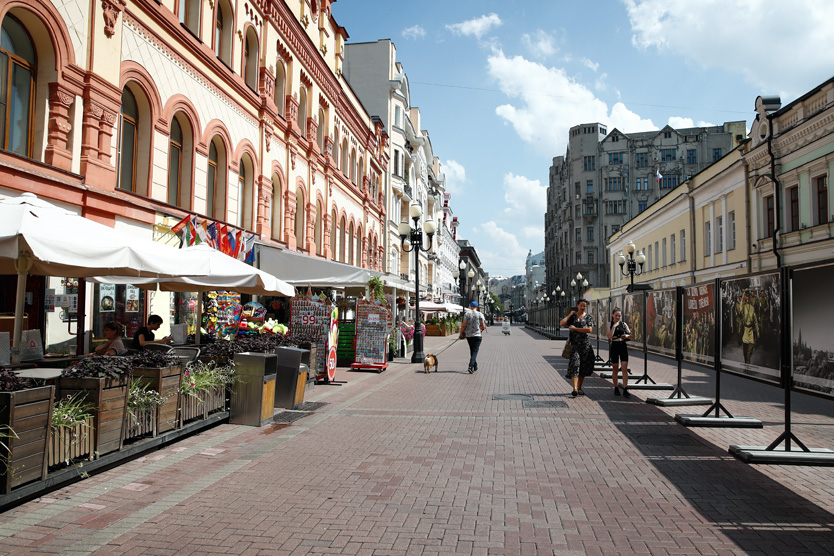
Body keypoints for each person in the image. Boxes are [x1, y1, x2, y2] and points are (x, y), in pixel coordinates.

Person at [560, 298, 595, 397]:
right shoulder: (573, 317)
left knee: (582, 368)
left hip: (585, 346)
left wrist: (576, 329)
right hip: (574, 345)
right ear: (578, 305)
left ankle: (579, 388)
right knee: (575, 365)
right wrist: (570, 314)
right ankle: (574, 389)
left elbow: (589, 330)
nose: (583, 307)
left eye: (585, 306)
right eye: (581, 305)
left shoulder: (588, 317)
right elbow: (561, 323)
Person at [606, 307, 631, 397]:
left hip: (623, 346)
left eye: (619, 315)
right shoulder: (610, 324)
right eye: (616, 315)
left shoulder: (624, 324)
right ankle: (616, 387)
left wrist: (627, 336)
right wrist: (614, 326)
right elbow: (609, 336)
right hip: (615, 346)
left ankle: (625, 388)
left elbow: (630, 335)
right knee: (615, 369)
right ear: (612, 315)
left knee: (624, 368)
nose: (618, 317)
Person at [459, 301, 486, 373]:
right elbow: (483, 326)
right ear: (477, 307)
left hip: (469, 335)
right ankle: (471, 366)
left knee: (472, 350)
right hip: (477, 335)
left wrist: (461, 334)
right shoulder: (480, 314)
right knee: (474, 351)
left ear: (471, 306)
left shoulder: (467, 314)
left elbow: (463, 325)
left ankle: (475, 365)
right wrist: (481, 329)